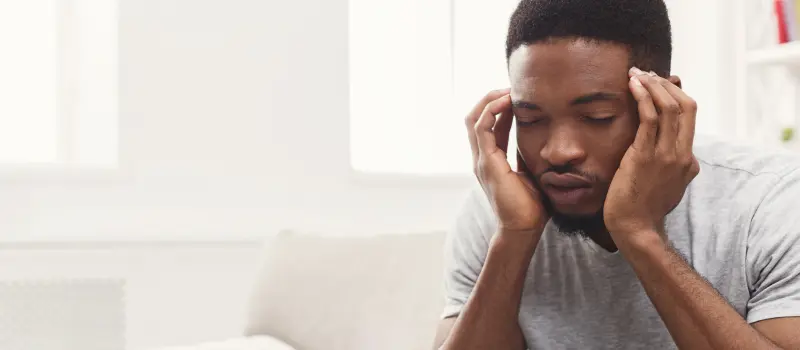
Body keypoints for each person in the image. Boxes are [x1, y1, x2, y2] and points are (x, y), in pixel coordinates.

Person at [432, 0, 800, 349]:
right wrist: (513, 237)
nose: (558, 152)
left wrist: (640, 234)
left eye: (597, 118)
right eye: (531, 120)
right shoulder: (496, 212)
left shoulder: (772, 201)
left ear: (663, 103)